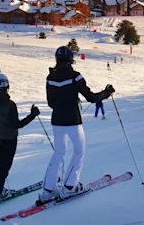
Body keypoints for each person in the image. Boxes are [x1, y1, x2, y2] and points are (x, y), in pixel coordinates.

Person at [38, 46, 114, 203]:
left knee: (59, 153)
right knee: (79, 151)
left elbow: (50, 102)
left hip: (57, 120)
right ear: (70, 59)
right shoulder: (75, 76)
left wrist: (62, 103)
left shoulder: (50, 77)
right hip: (72, 120)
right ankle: (69, 187)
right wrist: (107, 92)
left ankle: (48, 190)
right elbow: (91, 97)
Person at [0, 69, 39, 201]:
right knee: (5, 165)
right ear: (7, 86)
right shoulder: (10, 104)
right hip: (10, 138)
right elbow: (17, 124)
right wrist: (33, 115)